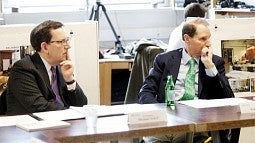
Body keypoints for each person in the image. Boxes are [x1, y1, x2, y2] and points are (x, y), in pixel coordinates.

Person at [139, 18, 235, 142]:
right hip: (168, 120)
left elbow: (227, 98)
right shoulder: (164, 60)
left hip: (199, 124)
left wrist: (210, 67)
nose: (209, 43)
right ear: (187, 38)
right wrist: (159, 115)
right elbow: (146, 92)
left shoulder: (215, 62)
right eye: (202, 39)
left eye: (208, 38)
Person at [6, 20, 88, 115]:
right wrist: (71, 112)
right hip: (32, 126)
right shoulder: (23, 68)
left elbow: (82, 105)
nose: (68, 46)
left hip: (61, 124)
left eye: (67, 40)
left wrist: (70, 80)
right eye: (61, 42)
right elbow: (39, 106)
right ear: (45, 47)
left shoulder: (60, 67)